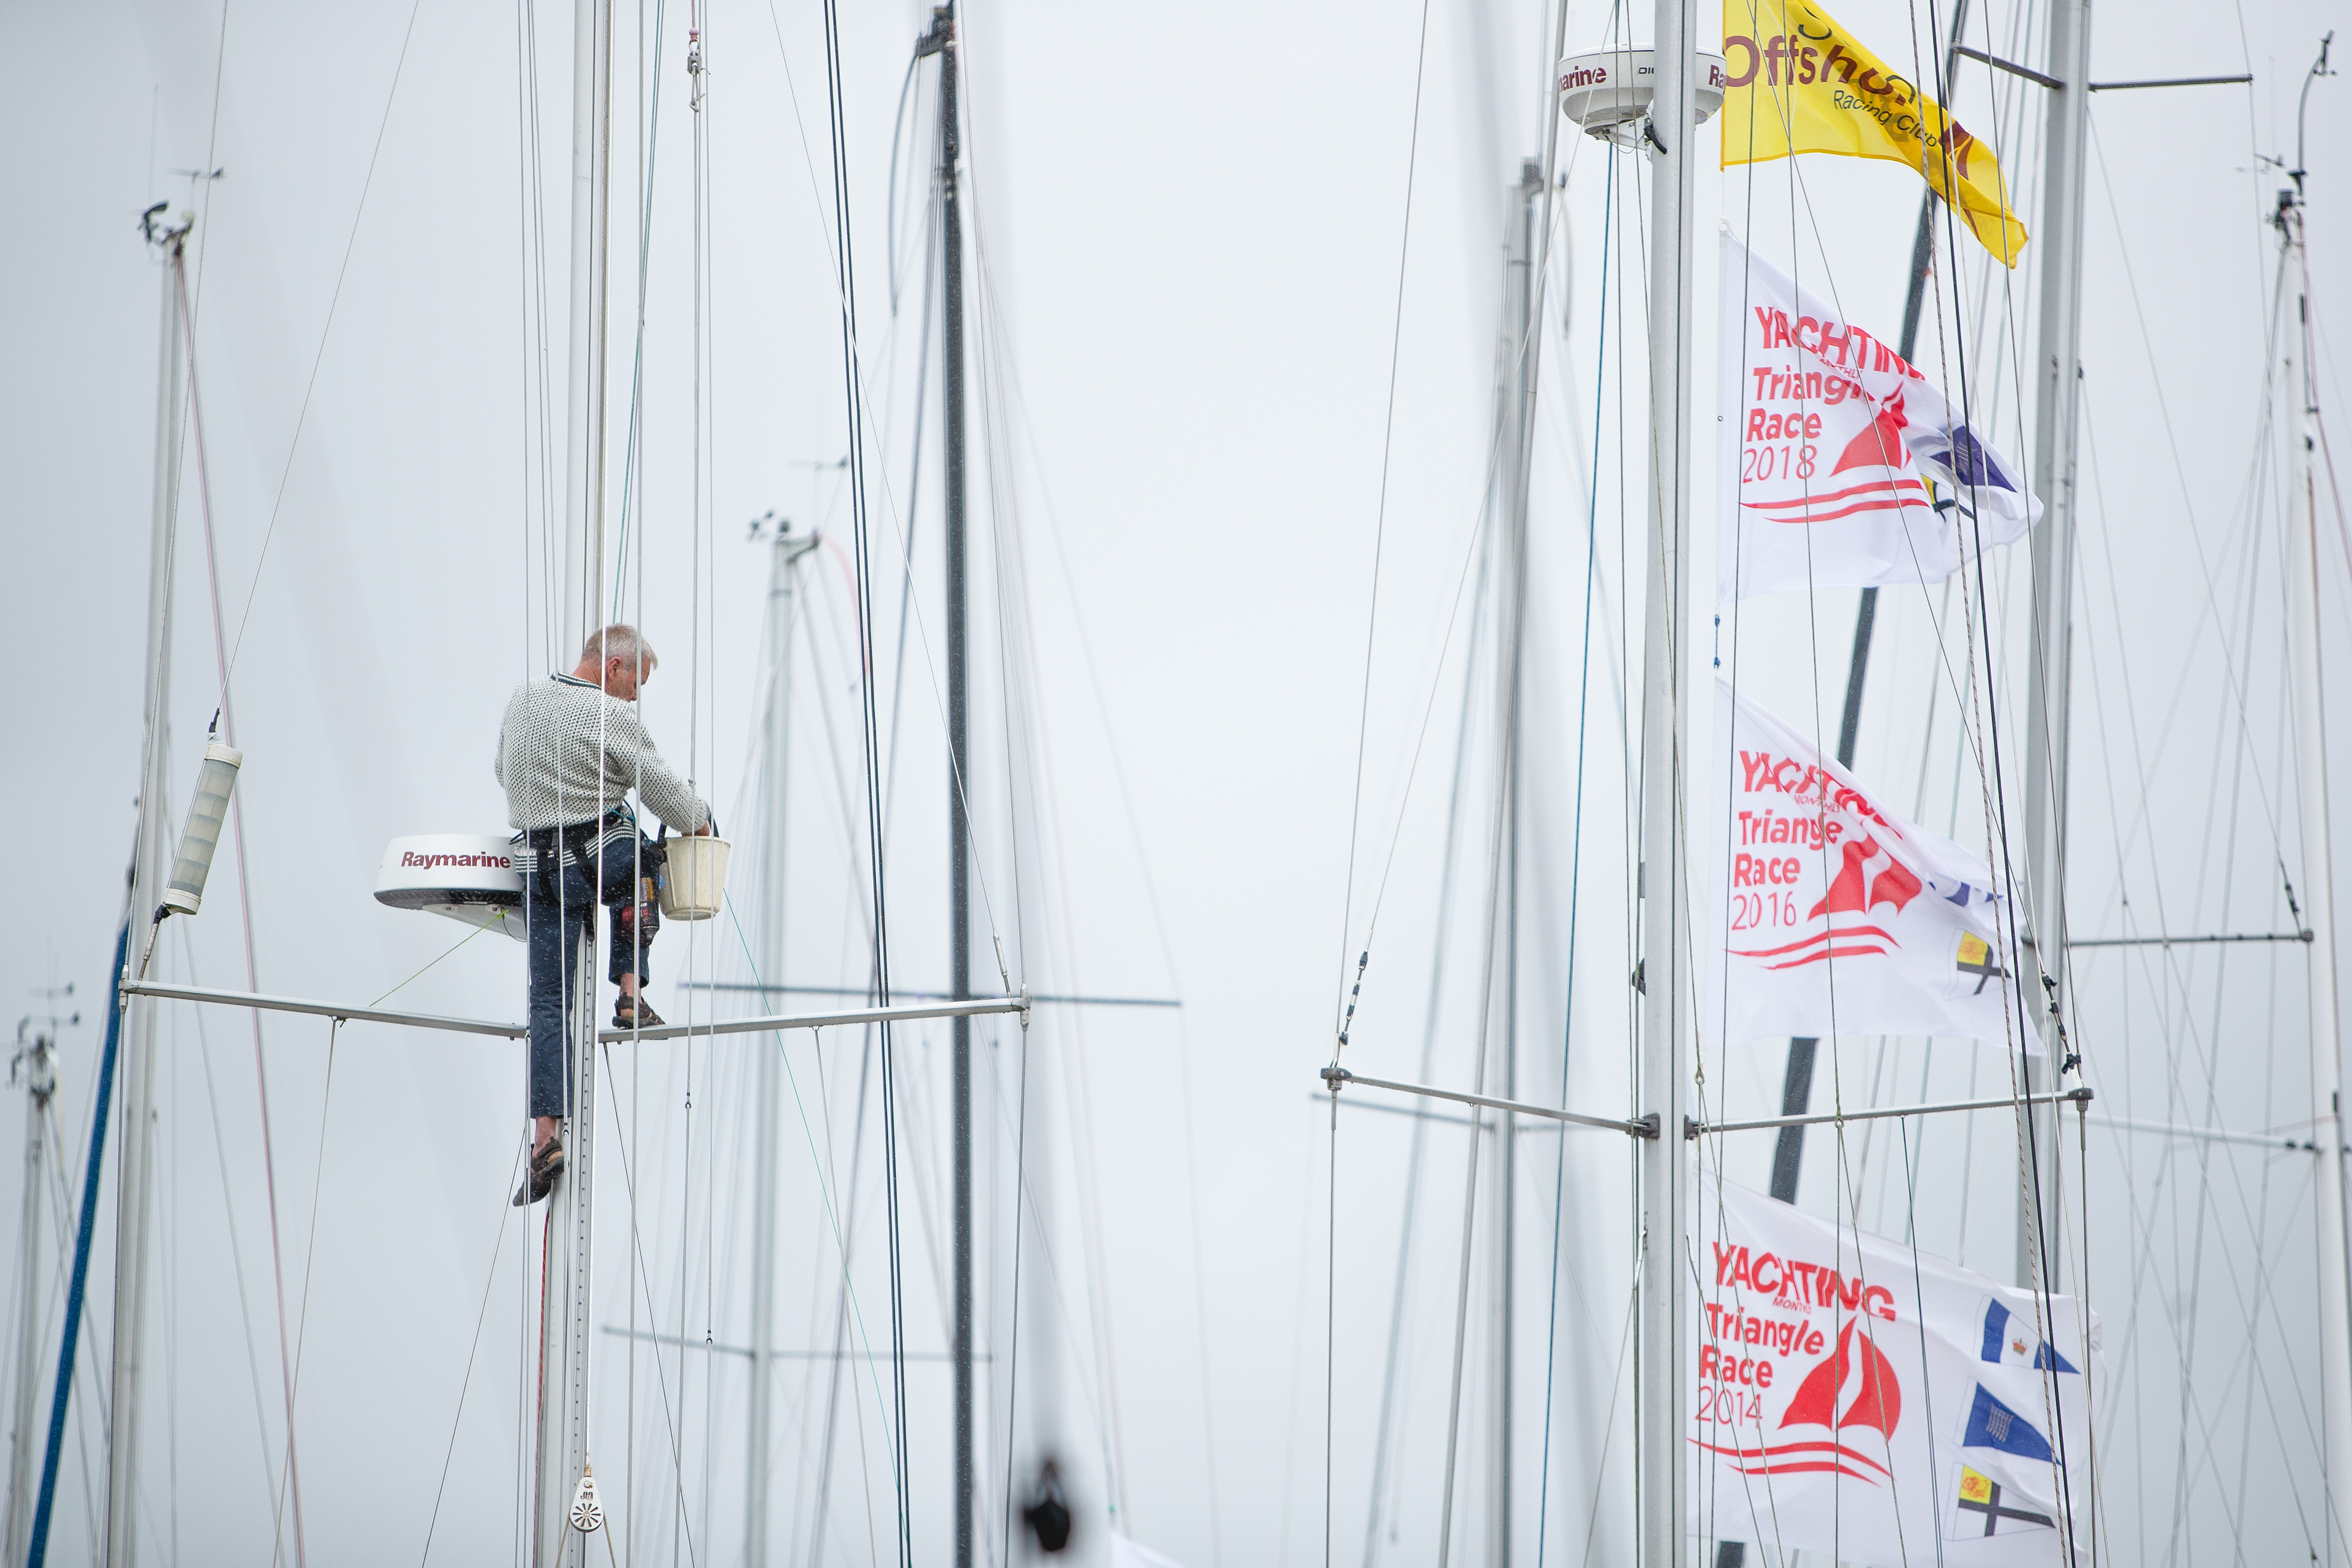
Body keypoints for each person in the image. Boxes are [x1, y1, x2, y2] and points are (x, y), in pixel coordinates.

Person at [496, 624, 713, 1205]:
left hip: (535, 865)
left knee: (548, 1004)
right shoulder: (610, 717)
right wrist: (702, 818)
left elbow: (503, 771)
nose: (635, 696)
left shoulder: (524, 700)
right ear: (614, 666)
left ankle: (547, 1138)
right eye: (635, 682)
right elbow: (665, 791)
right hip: (590, 857)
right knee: (642, 862)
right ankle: (628, 992)